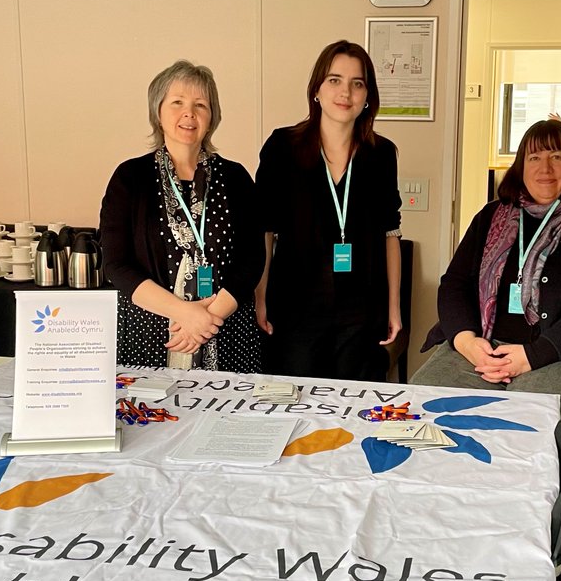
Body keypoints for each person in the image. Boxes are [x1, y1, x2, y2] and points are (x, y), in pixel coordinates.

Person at [413, 119, 561, 427]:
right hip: (481, 347)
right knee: (423, 416)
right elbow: (454, 284)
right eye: (534, 158)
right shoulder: (492, 216)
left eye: (556, 157)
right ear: (520, 166)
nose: (544, 168)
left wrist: (532, 356)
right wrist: (467, 342)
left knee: (530, 430)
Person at [99, 60, 263, 371]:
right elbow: (117, 265)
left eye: (200, 104)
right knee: (152, 418)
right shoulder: (130, 177)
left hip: (226, 332)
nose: (189, 113)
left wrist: (208, 319)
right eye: (177, 102)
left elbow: (252, 259)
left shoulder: (236, 178)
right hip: (152, 334)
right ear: (157, 112)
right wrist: (186, 314)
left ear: (211, 116)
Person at [254, 40, 402, 381]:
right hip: (295, 308)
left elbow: (390, 233)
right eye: (334, 80)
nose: (345, 92)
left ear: (368, 96)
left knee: (357, 408)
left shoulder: (380, 155)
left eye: (357, 83)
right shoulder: (283, 147)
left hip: (361, 311)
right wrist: (260, 297)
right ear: (317, 90)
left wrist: (394, 306)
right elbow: (264, 229)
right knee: (298, 405)